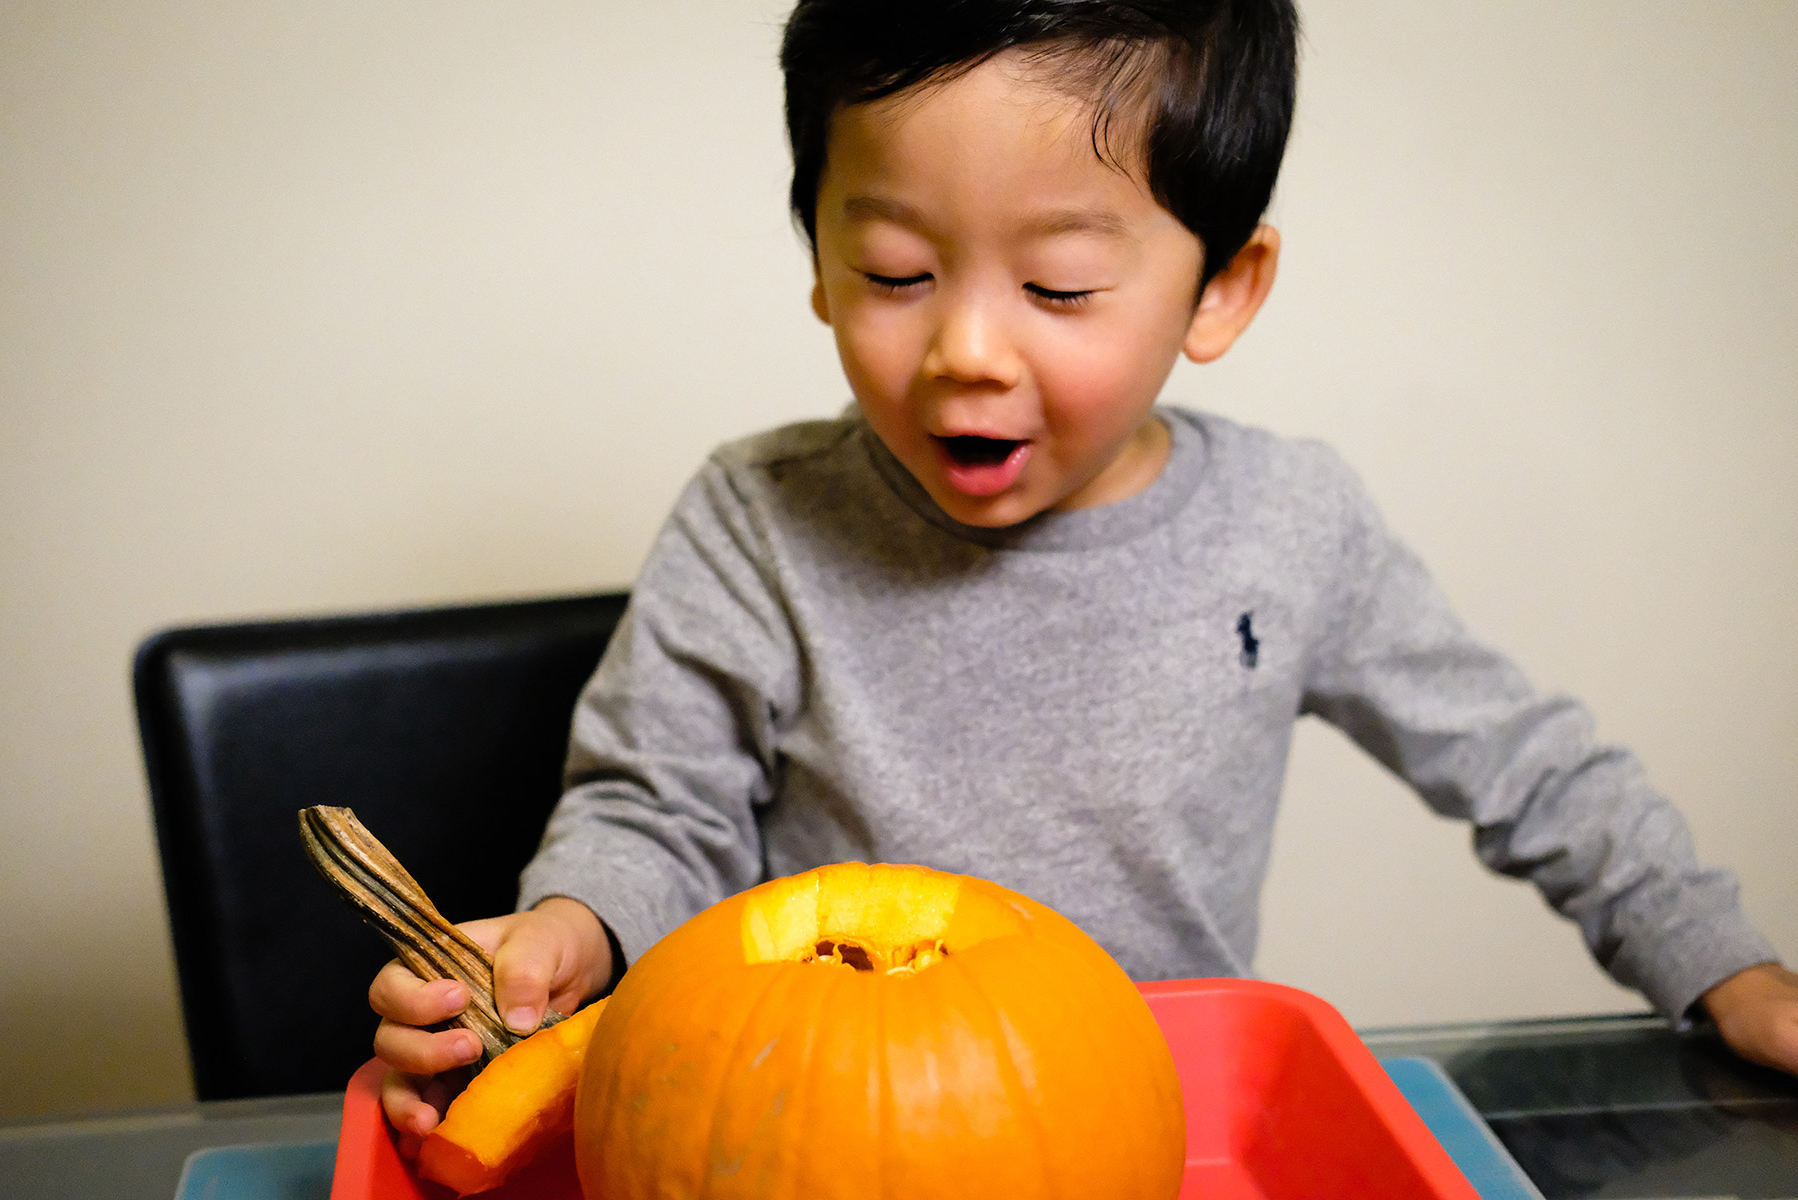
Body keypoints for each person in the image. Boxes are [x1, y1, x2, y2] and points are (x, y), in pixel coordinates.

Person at [370, 0, 1798, 1139]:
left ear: (1220, 289)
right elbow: (656, 811)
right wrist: (569, 930)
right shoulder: (757, 518)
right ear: (816, 253)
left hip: (1162, 1131)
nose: (967, 351)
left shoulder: (1290, 523)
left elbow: (1529, 767)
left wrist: (1722, 965)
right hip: (813, 1132)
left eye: (1057, 288)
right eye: (893, 272)